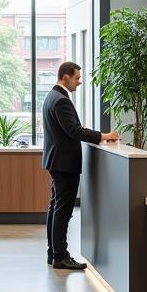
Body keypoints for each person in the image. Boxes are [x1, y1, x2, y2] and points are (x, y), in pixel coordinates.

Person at [42, 61, 118, 270]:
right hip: (64, 163)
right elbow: (74, 131)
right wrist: (104, 136)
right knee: (63, 210)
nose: (80, 82)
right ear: (65, 77)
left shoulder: (52, 96)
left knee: (56, 207)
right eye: (77, 78)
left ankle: (53, 253)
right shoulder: (61, 100)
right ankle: (60, 255)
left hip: (56, 160)